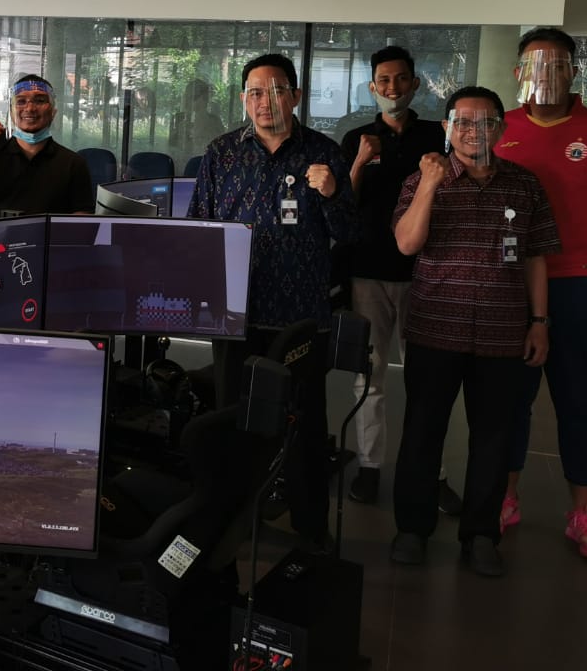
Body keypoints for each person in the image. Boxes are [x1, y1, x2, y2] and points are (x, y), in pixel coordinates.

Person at [187, 53, 357, 549]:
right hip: (235, 313)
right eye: (256, 92)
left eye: (277, 90)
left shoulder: (324, 153)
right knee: (234, 424)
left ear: (296, 96)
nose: (266, 101)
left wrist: (331, 195)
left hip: (299, 318)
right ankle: (233, 523)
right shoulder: (221, 153)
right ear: (244, 99)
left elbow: (351, 232)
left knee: (304, 427)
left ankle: (311, 529)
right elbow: (199, 228)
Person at [390, 86, 559, 577]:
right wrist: (429, 184)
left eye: (485, 122)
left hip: (502, 332)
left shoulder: (524, 185)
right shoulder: (422, 179)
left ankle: (482, 534)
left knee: (494, 437)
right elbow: (406, 244)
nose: (473, 131)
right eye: (462, 122)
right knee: (422, 431)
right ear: (447, 128)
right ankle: (412, 528)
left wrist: (540, 322)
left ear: (501, 129)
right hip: (434, 329)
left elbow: (536, 258)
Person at [495, 27, 587, 559]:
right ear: (519, 74)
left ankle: (583, 513)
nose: (547, 75)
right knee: (510, 397)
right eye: (536, 66)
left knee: (578, 397)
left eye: (558, 65)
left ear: (574, 72)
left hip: (580, 279)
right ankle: (505, 498)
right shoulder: (500, 127)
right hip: (511, 280)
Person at [339, 46, 461, 514]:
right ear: (373, 87)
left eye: (401, 79)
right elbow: (342, 207)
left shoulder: (436, 135)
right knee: (367, 378)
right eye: (384, 81)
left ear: (415, 84)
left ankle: (433, 472)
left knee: (427, 381)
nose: (393, 88)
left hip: (425, 273)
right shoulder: (356, 137)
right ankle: (369, 466)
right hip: (367, 273)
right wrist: (358, 163)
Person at [0, 74, 93, 217]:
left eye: (40, 100)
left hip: (50, 232)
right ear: (11, 112)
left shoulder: (73, 163)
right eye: (21, 101)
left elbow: (82, 218)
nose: (30, 108)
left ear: (53, 111)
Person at [170, 78, 226, 165]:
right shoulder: (181, 124)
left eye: (193, 97)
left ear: (204, 98)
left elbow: (219, 151)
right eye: (187, 97)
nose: (187, 101)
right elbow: (175, 151)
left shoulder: (215, 123)